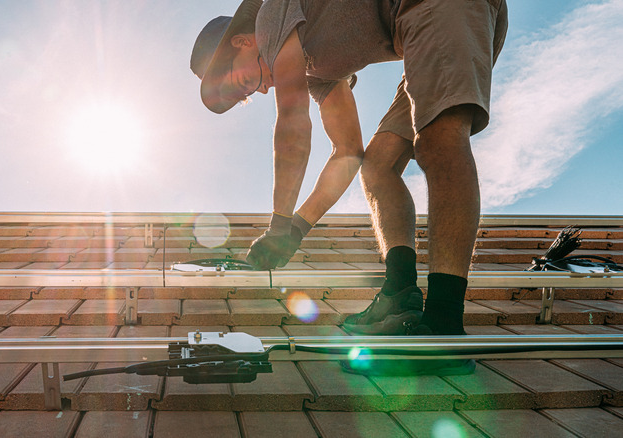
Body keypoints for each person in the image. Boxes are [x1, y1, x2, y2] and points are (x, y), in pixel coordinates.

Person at [190, 0, 507, 375]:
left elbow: (293, 124)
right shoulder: (317, 71)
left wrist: (277, 226)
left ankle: (444, 329)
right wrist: (296, 230)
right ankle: (400, 294)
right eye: (248, 94)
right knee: (376, 167)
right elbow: (347, 152)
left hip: (436, 8)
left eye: (245, 81)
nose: (259, 91)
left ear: (243, 41)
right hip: (415, 30)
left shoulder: (270, 12)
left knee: (438, 137)